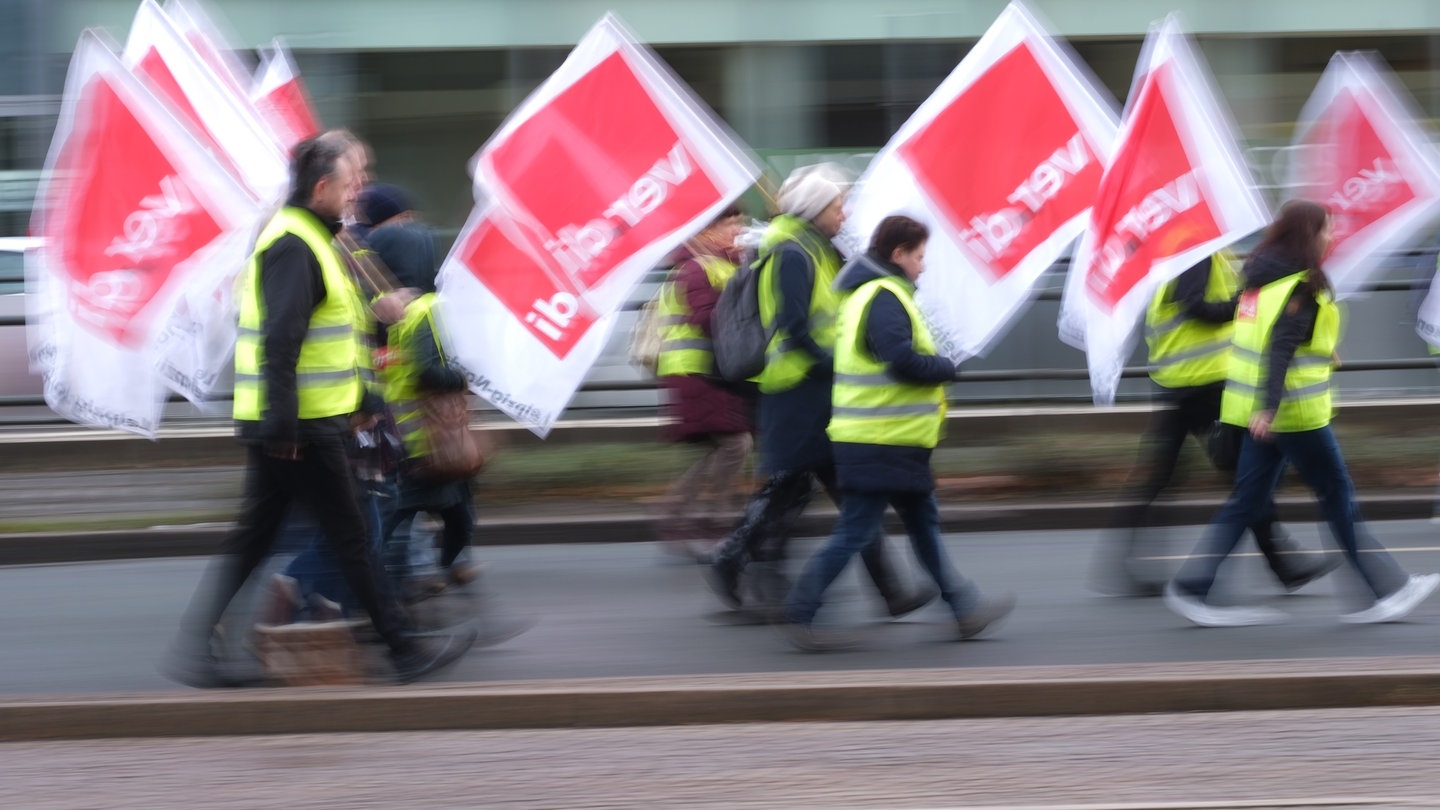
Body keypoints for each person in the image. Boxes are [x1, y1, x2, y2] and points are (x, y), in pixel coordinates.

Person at [163, 133, 475, 686]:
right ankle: (401, 650)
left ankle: (199, 652)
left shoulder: (313, 238)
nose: (359, 191)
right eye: (352, 182)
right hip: (298, 426)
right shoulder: (295, 244)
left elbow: (328, 338)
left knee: (260, 539)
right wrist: (285, 424)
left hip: (300, 420)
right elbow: (281, 341)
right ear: (323, 186)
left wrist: (360, 399)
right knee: (352, 537)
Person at [1165, 200, 1440, 627]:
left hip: (1260, 414)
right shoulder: (1302, 287)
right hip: (1294, 415)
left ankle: (1192, 586)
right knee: (1337, 497)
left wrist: (1317, 348)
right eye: (1326, 229)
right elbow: (1279, 349)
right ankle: (1387, 589)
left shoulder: (1259, 281)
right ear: (1308, 235)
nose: (1331, 236)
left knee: (1246, 502)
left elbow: (1258, 329)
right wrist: (1272, 407)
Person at [706, 163, 932, 618]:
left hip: (812, 388)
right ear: (814, 209)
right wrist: (837, 363)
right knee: (805, 490)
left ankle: (887, 592)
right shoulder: (792, 252)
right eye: (836, 206)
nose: (843, 214)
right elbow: (793, 327)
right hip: (798, 390)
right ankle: (734, 563)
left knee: (838, 492)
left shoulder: (813, 248)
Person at [778, 215, 1014, 649]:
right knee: (857, 530)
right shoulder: (884, 296)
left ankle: (964, 609)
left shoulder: (866, 295)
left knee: (922, 524)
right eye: (919, 257)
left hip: (888, 440)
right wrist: (946, 367)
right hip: (880, 440)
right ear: (898, 254)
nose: (923, 266)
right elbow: (899, 359)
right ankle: (799, 609)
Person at [1094, 251, 1339, 597]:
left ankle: (1119, 567)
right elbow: (1194, 306)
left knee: (1164, 478)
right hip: (1203, 385)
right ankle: (1282, 564)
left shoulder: (1184, 254)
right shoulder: (1197, 255)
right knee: (1246, 475)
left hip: (1180, 382)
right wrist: (1239, 306)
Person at [368, 186, 484, 592]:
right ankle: (407, 583)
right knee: (447, 512)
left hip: (393, 431)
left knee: (403, 513)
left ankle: (410, 579)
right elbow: (428, 373)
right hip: (429, 434)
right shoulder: (428, 309)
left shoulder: (379, 310)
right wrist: (464, 376)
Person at [654, 204, 755, 560]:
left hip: (711, 369)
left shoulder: (723, 262)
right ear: (708, 229)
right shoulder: (696, 267)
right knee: (735, 444)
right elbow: (706, 318)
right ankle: (715, 522)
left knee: (726, 446)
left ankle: (678, 517)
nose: (738, 231)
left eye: (740, 224)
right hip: (695, 370)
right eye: (731, 224)